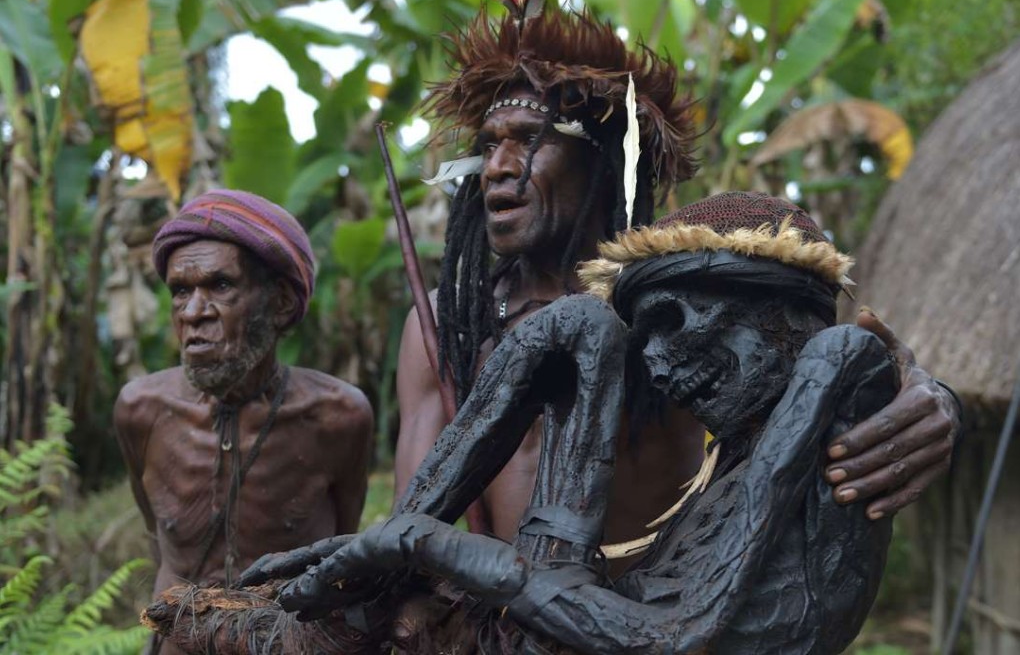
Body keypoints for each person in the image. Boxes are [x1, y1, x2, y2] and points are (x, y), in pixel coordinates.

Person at [178, 192, 908, 654]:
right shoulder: (748, 439)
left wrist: (434, 545)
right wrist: (387, 547)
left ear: (772, 309)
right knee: (579, 325)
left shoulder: (837, 361)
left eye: (673, 322)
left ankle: (371, 578)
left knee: (412, 579)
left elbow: (678, 638)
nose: (654, 362)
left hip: (619, 638)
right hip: (573, 615)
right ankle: (367, 580)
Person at [395, 0, 959, 554]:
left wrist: (927, 397)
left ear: (607, 159)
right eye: (488, 146)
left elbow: (829, 370)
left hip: (648, 623)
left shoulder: (676, 306)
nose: (497, 167)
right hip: (491, 630)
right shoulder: (447, 325)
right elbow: (408, 525)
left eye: (527, 140)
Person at [114, 189, 372, 653]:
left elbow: (341, 550)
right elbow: (159, 537)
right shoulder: (141, 411)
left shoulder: (337, 418)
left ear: (280, 304)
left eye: (220, 286)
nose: (193, 313)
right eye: (180, 291)